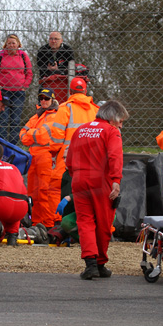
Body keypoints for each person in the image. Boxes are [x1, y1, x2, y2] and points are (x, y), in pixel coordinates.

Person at [66, 100, 129, 280]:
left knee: (85, 222)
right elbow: (115, 157)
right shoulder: (111, 132)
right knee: (103, 222)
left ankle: (90, 264)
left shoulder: (80, 130)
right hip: (101, 182)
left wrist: (76, 174)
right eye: (120, 121)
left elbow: (69, 160)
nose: (121, 125)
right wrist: (116, 181)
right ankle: (100, 262)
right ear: (112, 118)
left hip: (79, 180)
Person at [47, 76, 99, 228]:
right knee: (85, 191)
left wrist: (53, 152)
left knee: (58, 189)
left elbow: (57, 136)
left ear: (70, 91)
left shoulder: (65, 108)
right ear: (85, 91)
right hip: (90, 160)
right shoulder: (95, 109)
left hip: (67, 158)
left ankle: (57, 225)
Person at [20, 88, 59, 229]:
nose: (43, 101)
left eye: (46, 98)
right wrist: (32, 134)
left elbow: (41, 136)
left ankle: (48, 224)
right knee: (32, 193)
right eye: (41, 98)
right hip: (33, 156)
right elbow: (22, 135)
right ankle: (36, 223)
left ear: (52, 100)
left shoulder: (55, 116)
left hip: (46, 156)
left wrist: (30, 134)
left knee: (44, 191)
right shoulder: (37, 116)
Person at [0, 34, 33, 145]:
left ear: (18, 45)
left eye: (13, 43)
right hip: (4, 90)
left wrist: (25, 85)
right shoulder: (0, 55)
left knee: (15, 120)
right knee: (3, 119)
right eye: (9, 43)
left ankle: (13, 145)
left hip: (19, 92)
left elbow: (29, 72)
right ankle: (2, 144)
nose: (11, 45)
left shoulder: (23, 56)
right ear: (6, 44)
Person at [36, 31, 74, 102]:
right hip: (46, 80)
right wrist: (48, 69)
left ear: (61, 41)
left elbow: (71, 66)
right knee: (44, 100)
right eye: (51, 39)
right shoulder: (42, 50)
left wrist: (58, 69)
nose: (53, 41)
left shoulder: (68, 50)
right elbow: (40, 65)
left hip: (63, 81)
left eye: (56, 39)